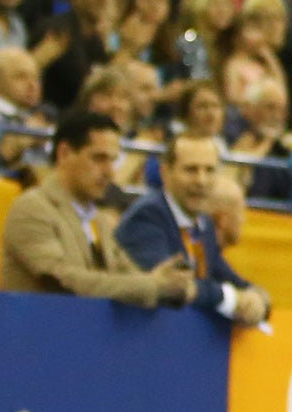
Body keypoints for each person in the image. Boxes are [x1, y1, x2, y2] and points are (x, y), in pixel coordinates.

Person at [0, 109, 195, 306]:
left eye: (113, 160)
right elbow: (63, 278)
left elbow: (132, 275)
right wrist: (153, 285)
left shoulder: (100, 221)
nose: (110, 172)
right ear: (64, 153)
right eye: (99, 158)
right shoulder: (32, 208)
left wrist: (169, 283)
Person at [115, 133, 272, 326]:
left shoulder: (202, 223)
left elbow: (229, 279)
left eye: (210, 170)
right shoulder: (147, 217)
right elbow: (173, 287)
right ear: (166, 173)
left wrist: (258, 298)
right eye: (191, 170)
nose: (201, 180)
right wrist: (231, 299)